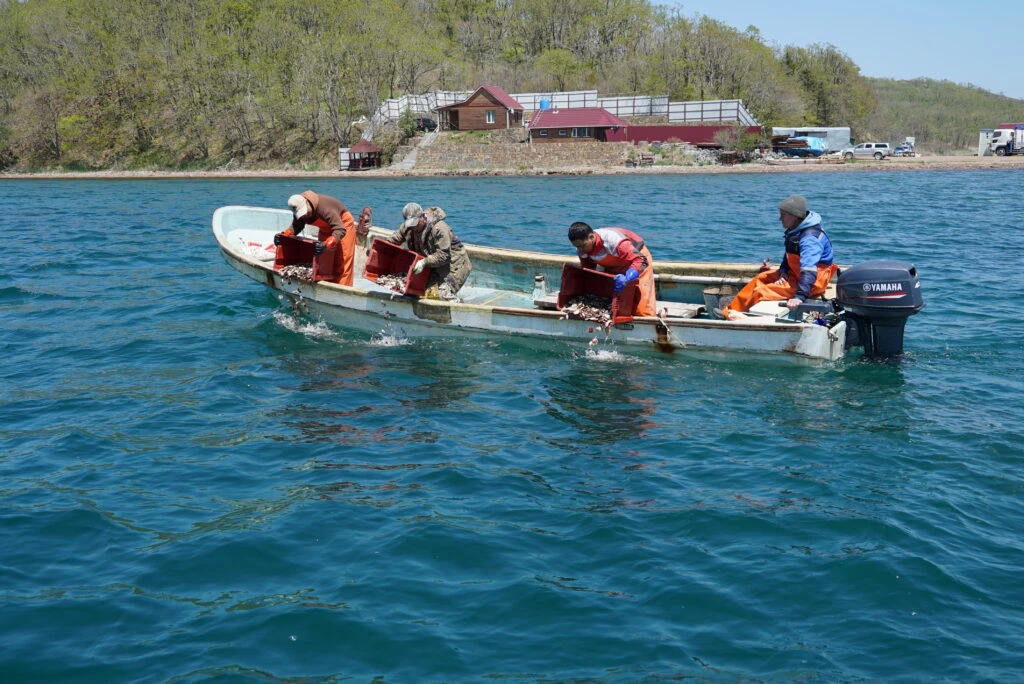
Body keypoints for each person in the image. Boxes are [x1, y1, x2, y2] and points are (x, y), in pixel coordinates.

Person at [721, 194, 837, 320]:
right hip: (795, 275)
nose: (780, 218)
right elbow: (788, 256)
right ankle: (730, 311)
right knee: (760, 278)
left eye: (783, 214)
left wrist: (799, 297)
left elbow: (809, 271)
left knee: (761, 291)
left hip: (811, 283)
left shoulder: (810, 239)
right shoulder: (796, 230)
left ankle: (738, 318)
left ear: (794, 216)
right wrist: (783, 272)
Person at [567, 221, 656, 317]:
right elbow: (589, 270)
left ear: (592, 237)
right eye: (577, 246)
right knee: (612, 305)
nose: (580, 250)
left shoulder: (613, 241)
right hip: (614, 265)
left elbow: (641, 261)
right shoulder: (581, 249)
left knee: (641, 310)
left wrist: (627, 278)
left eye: (583, 245)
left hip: (638, 261)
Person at [386, 203, 472, 301]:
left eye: (416, 223)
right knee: (416, 291)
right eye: (410, 224)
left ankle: (457, 306)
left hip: (455, 266)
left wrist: (424, 262)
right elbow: (395, 238)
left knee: (438, 295)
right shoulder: (408, 227)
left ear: (423, 216)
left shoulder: (439, 229)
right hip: (432, 266)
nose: (413, 227)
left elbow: (443, 256)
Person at [274, 191, 358, 286]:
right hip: (325, 229)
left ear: (307, 202)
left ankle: (342, 291)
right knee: (324, 260)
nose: (304, 216)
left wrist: (327, 244)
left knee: (342, 262)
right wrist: (283, 236)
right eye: (301, 214)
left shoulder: (325, 208)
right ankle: (326, 287)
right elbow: (296, 226)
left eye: (305, 212)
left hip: (342, 225)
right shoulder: (298, 206)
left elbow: (340, 229)